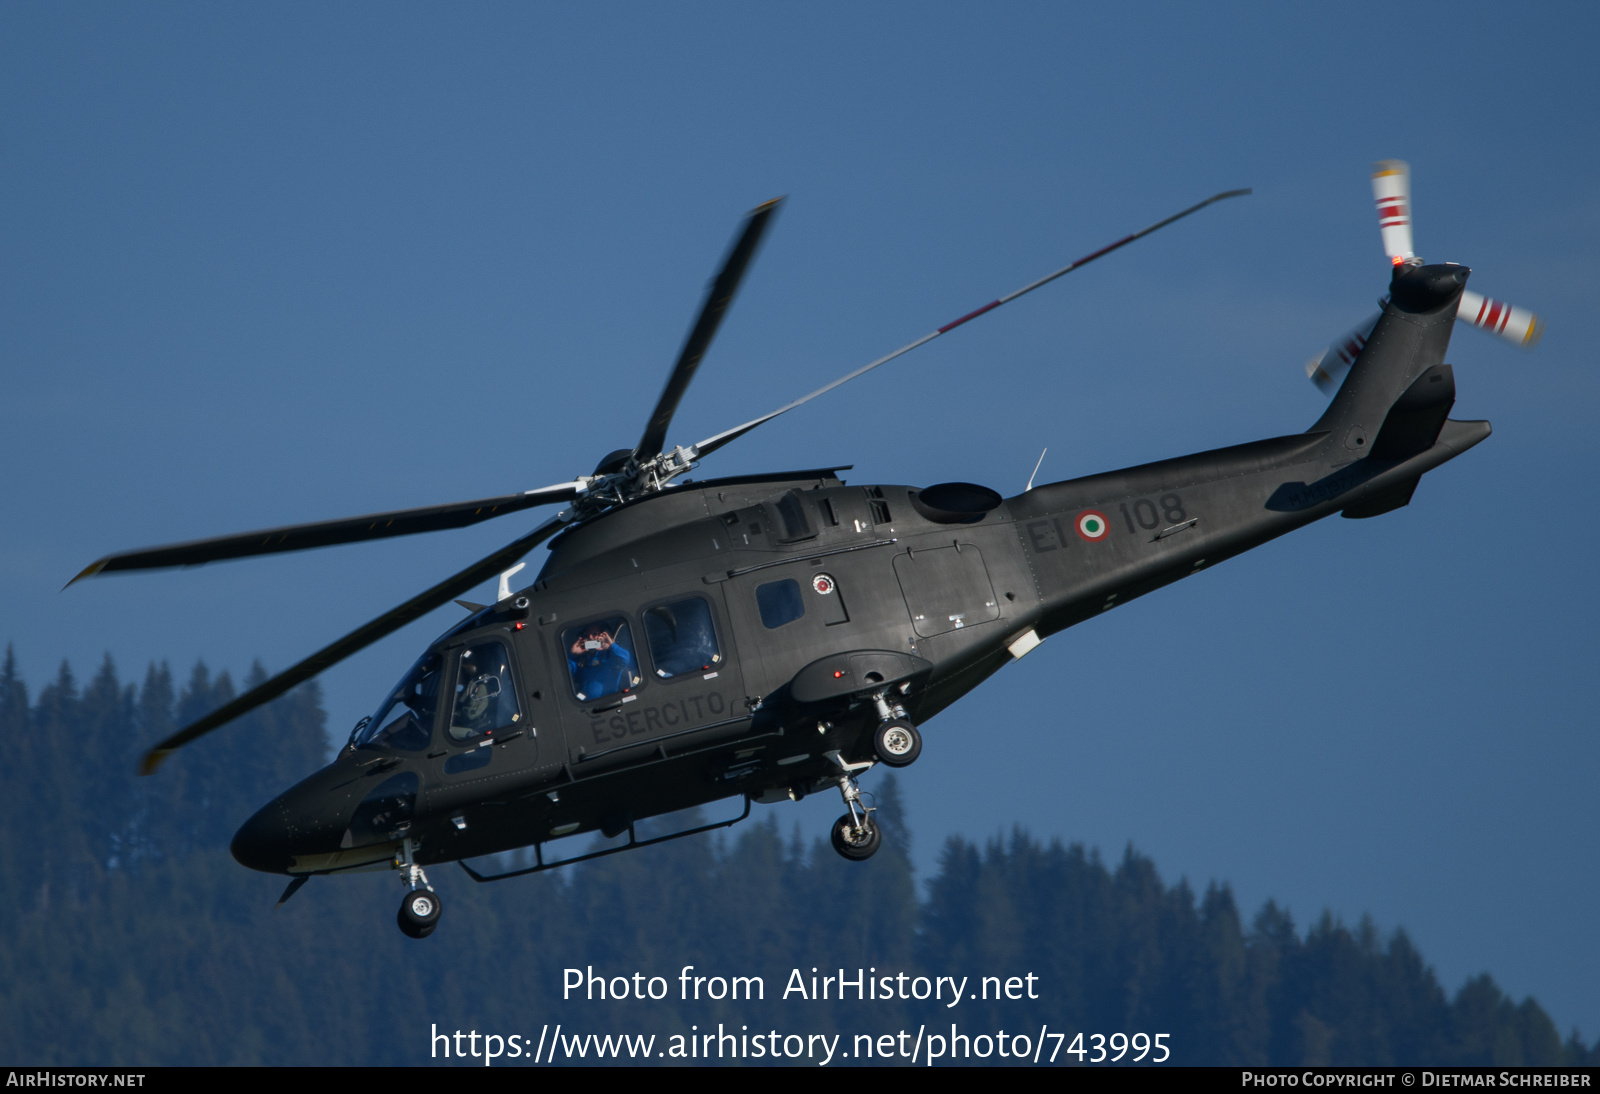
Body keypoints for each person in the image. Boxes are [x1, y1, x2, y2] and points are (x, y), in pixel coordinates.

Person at [567, 621, 635, 701]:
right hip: (587, 706)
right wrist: (572, 655)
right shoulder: (581, 661)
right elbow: (565, 674)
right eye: (586, 635)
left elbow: (627, 660)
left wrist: (611, 646)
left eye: (595, 634)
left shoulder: (611, 654)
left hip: (612, 701)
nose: (590, 637)